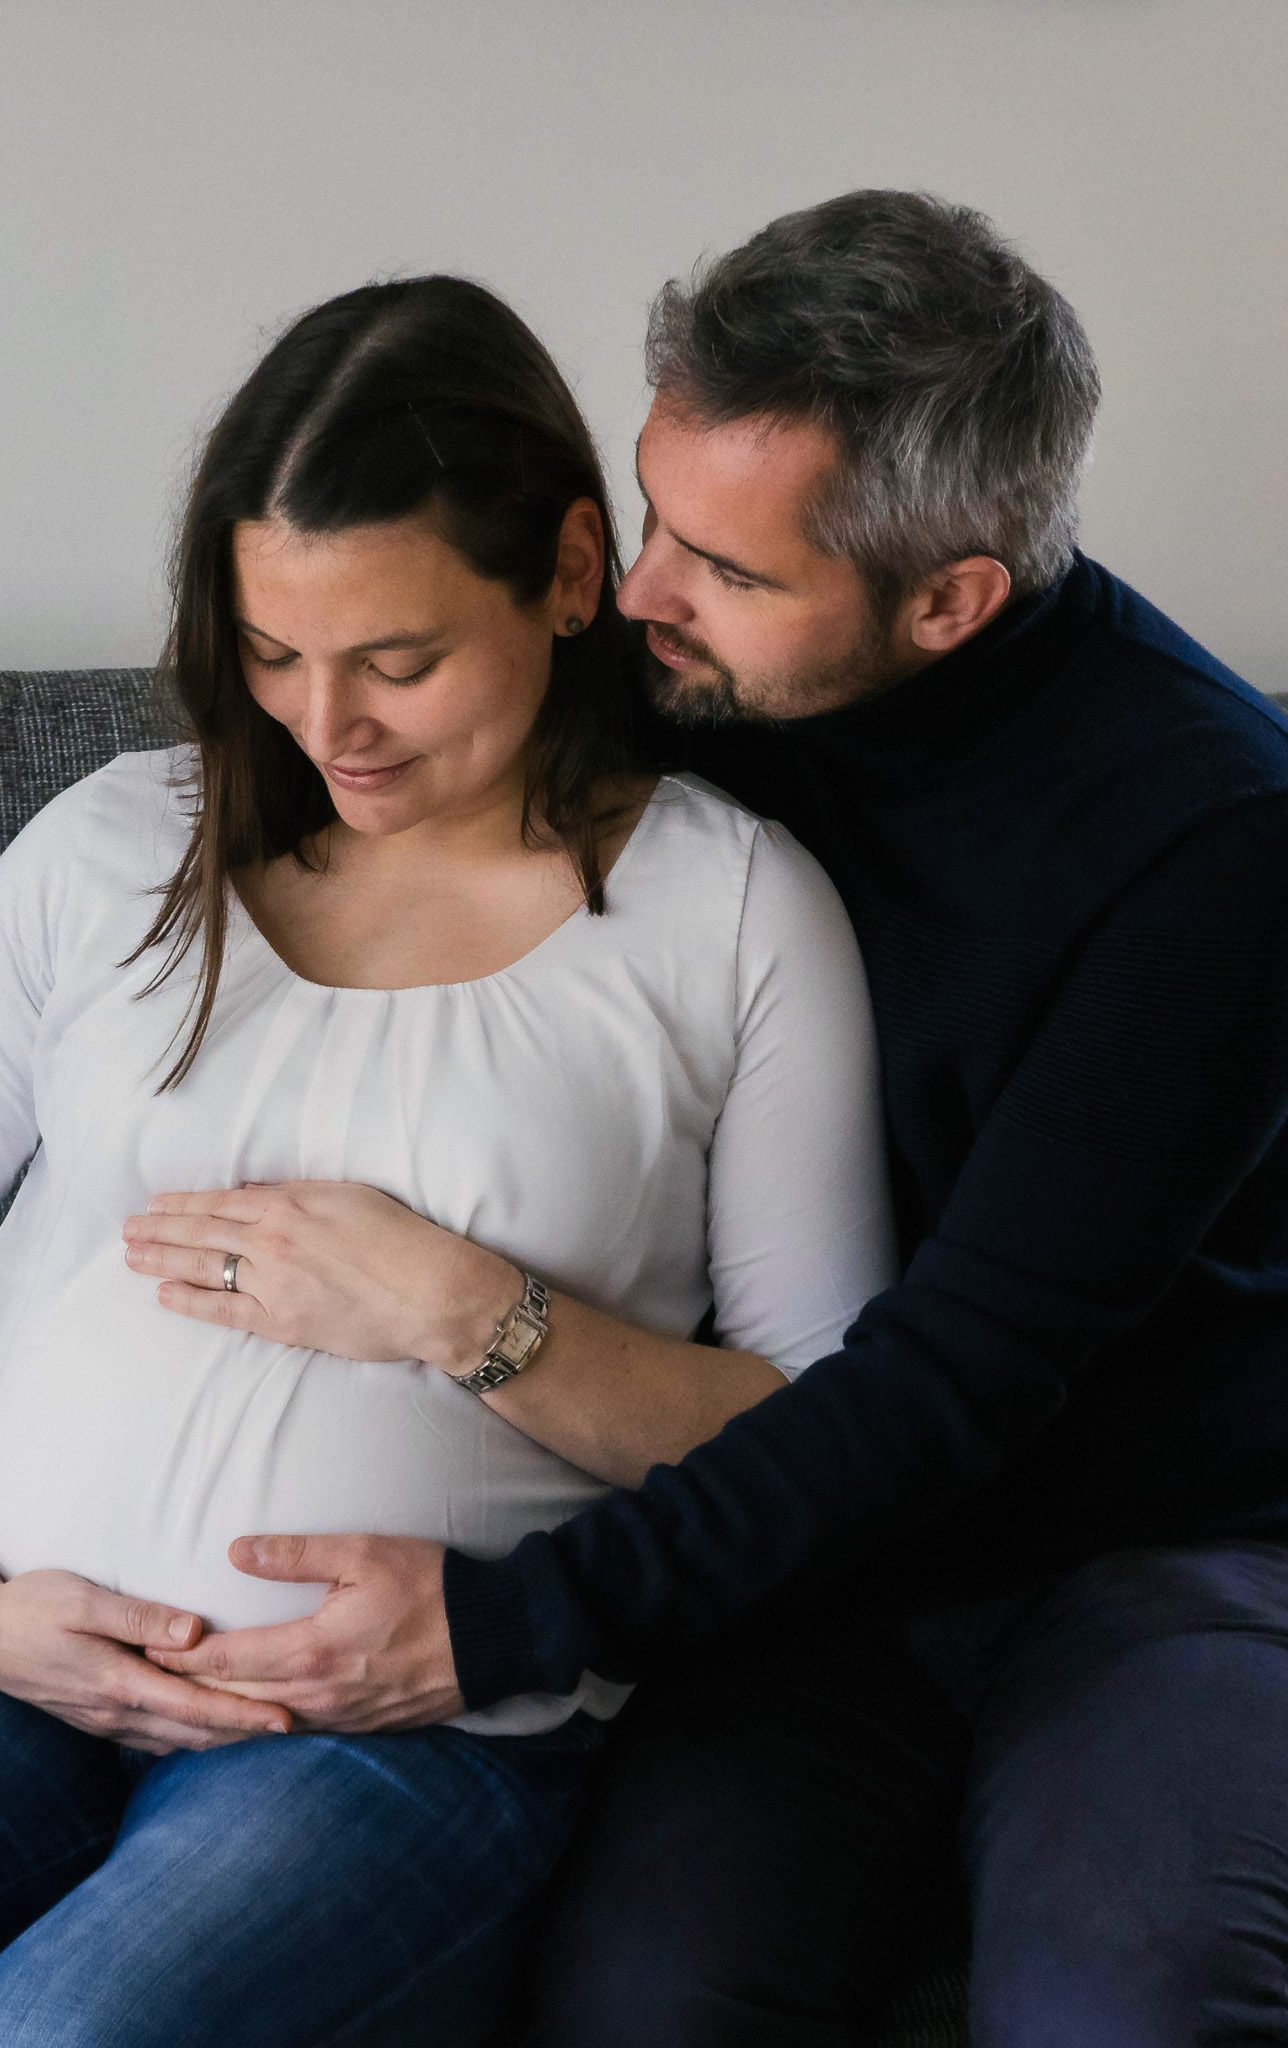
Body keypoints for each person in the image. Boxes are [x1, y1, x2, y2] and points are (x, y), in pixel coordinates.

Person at [96, 193, 1288, 2046]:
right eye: (655, 516)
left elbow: (945, 1386)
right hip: (801, 1555)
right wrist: (33, 1268)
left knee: (1133, 2001)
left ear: (950, 600)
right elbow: (352, 940)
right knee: (649, 2006)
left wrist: (498, 1624)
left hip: (1138, 1549)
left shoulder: (1216, 846)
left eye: (725, 565)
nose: (644, 593)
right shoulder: (670, 700)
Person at [0, 276, 893, 2045]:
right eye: (274, 653)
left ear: (574, 574)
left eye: (401, 659)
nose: (326, 724)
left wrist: (472, 1314)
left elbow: (831, 1439)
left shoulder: (730, 913)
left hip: (402, 1729)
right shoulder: (115, 847)